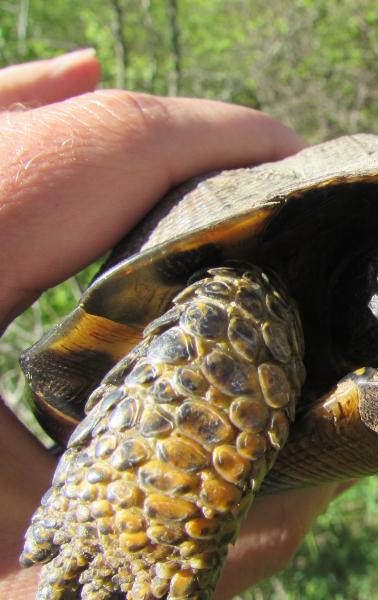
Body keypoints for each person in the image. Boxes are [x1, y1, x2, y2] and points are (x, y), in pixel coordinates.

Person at [0, 49, 351, 599]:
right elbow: (234, 314)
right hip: (217, 324)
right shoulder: (251, 304)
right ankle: (125, 522)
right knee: (239, 307)